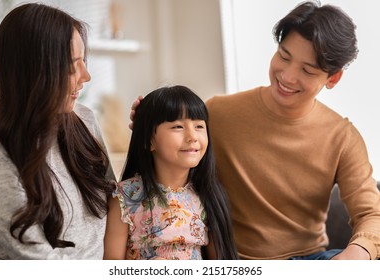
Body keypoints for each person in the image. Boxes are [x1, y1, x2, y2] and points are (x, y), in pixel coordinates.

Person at [130, 1, 380, 260]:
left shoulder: (342, 137)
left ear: (333, 78)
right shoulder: (217, 113)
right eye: (284, 56)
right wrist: (149, 129)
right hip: (232, 260)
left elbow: (371, 213)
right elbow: (170, 158)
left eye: (307, 70)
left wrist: (358, 253)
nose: (287, 76)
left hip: (308, 261)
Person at [0, 3, 115, 259]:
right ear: (33, 71)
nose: (86, 76)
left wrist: (150, 134)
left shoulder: (84, 119)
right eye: (71, 66)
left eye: (84, 62)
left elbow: (118, 205)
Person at [104, 85, 238, 260]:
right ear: (148, 140)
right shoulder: (124, 198)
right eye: (177, 127)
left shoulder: (207, 195)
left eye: (199, 126)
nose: (192, 137)